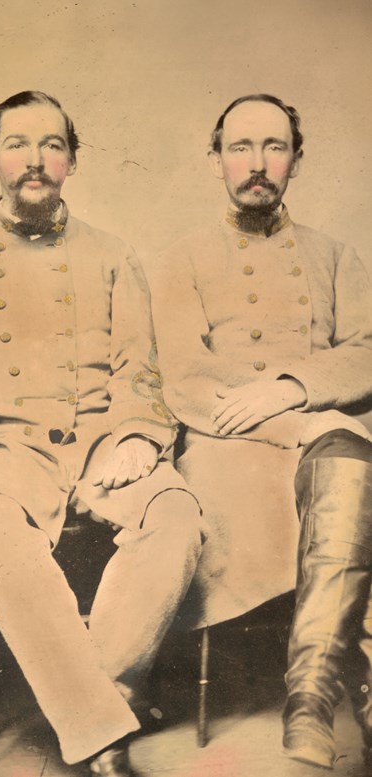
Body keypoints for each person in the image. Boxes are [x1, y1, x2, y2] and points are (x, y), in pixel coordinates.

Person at [0, 90, 204, 777]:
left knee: (177, 513)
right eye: (17, 143)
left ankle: (90, 701)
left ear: (73, 161)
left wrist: (139, 437)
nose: (35, 160)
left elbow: (140, 368)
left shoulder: (113, 255)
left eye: (52, 145)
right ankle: (104, 731)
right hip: (1, 448)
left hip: (100, 443)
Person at [149, 93, 372, 770]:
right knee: (347, 459)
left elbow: (366, 350)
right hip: (226, 444)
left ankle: (309, 693)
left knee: (351, 463)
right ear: (215, 159)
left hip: (319, 427)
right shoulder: (181, 258)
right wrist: (291, 416)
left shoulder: (335, 255)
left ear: (296, 161)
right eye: (241, 148)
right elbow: (183, 375)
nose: (257, 164)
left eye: (274, 148)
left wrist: (290, 387)